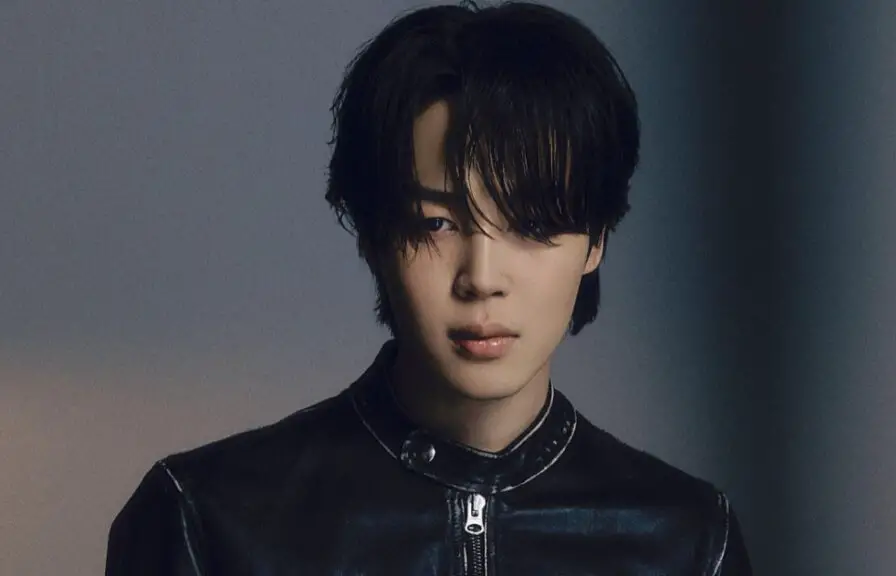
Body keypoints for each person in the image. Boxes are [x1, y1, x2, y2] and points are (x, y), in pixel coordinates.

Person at [105, 1, 753, 574]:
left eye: (532, 224)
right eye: (435, 223)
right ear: (371, 233)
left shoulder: (686, 540)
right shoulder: (208, 519)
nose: (482, 278)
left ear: (597, 240)